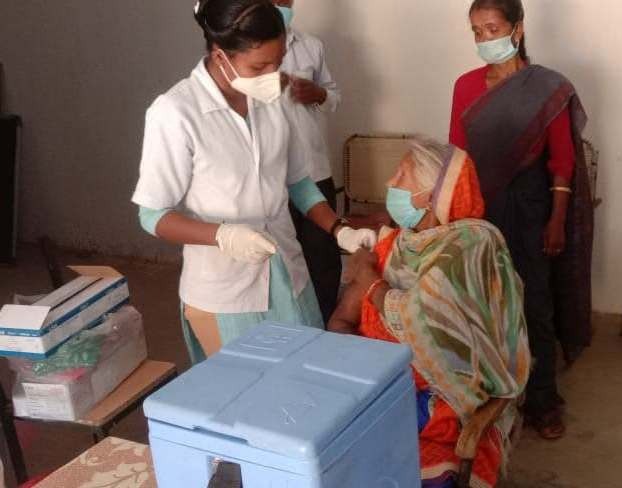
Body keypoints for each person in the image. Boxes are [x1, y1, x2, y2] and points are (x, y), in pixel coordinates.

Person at [131, 0, 376, 364]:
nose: (273, 75)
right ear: (221, 55)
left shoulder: (272, 97)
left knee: (304, 374)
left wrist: (339, 229)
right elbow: (153, 215)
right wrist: (223, 235)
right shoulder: (175, 113)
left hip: (289, 274)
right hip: (225, 292)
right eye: (259, 67)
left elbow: (298, 181)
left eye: (278, 63)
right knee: (246, 389)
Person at [328, 135, 530, 488]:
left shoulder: (472, 245)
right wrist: (364, 372)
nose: (390, 182)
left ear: (431, 196)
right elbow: (340, 321)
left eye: (402, 175)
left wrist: (372, 283)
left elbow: (424, 318)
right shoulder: (394, 245)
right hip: (375, 385)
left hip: (444, 396)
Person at [449, 0, 593, 439]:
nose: (484, 39)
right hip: (481, 207)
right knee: (485, 304)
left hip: (532, 208)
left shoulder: (547, 88)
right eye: (476, 31)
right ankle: (494, 399)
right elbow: (457, 157)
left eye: (492, 28)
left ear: (517, 28)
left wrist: (556, 220)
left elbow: (562, 162)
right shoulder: (466, 86)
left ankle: (543, 402)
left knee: (535, 305)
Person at [269, 0, 343, 323]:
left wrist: (319, 94)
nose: (279, 4)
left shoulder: (311, 46)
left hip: (314, 169)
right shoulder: (243, 54)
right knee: (283, 258)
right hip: (272, 176)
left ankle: (325, 322)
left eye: (285, 0)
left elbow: (334, 96)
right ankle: (292, 325)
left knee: (323, 255)